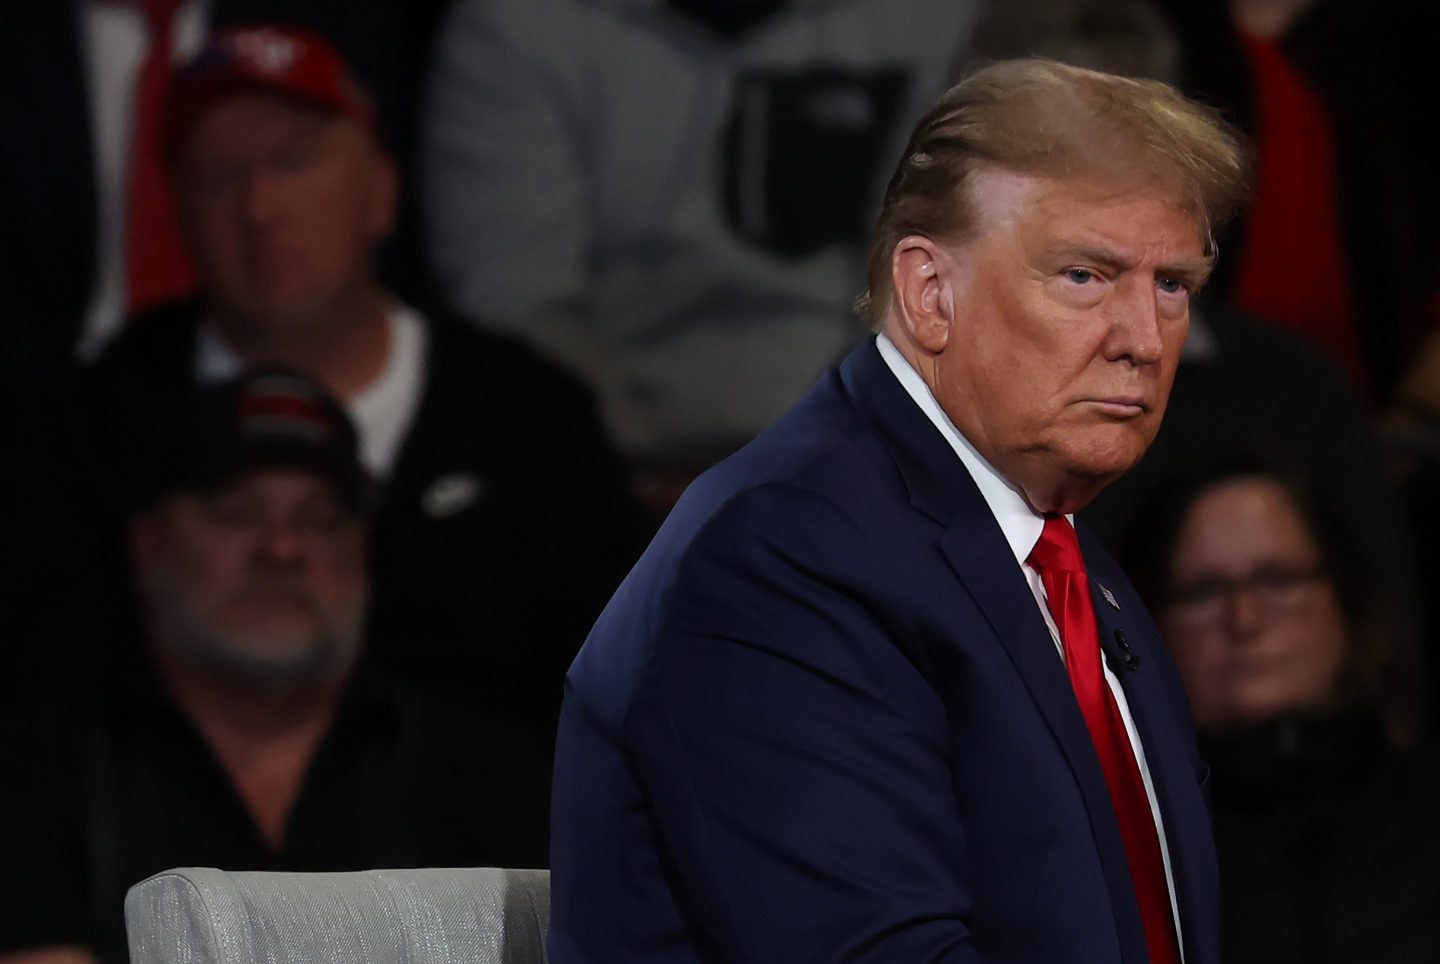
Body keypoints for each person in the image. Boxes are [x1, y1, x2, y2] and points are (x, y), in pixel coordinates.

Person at [550, 59, 1250, 962]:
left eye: (1173, 286)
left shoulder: (1074, 572)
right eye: (1085, 274)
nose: (1145, 341)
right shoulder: (783, 557)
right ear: (929, 293)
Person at [1, 25, 647, 731]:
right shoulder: (95, 426)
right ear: (176, 213)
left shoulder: (527, 421)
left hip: (484, 830)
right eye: (221, 177)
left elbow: (617, 696)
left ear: (380, 191)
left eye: (295, 162)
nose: (260, 210)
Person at [0, 371, 550, 964]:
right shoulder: (35, 769)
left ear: (362, 551)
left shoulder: (489, 770)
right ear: (148, 542)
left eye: (318, 518)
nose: (282, 549)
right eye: (236, 512)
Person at [421, 0, 983, 510]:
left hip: (884, 451)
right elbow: (513, 300)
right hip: (593, 473)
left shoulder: (951, 14)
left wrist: (837, 454)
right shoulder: (515, 21)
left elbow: (965, 266)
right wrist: (643, 468)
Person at [1118, 451, 1440, 963]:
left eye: (1277, 579)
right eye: (1203, 591)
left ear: (1346, 600)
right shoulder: (1119, 859)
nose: (1244, 620)